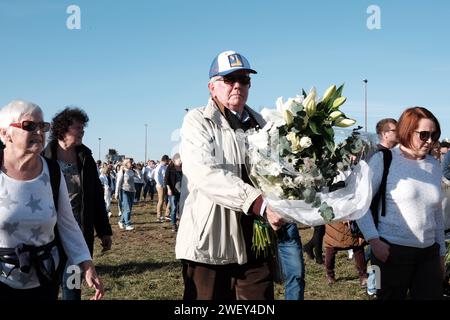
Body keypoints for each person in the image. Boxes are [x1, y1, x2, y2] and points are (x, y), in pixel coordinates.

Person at [176, 50, 285, 300]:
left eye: (244, 79)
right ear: (211, 87)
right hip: (212, 241)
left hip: (256, 241)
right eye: (229, 79)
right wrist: (258, 202)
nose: (238, 85)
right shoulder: (197, 121)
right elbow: (205, 173)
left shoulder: (262, 123)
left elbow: (279, 171)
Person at [0, 100, 104, 300]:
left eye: (42, 126)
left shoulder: (53, 171)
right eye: (29, 126)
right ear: (5, 134)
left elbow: (67, 222)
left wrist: (86, 264)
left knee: (71, 292)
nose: (39, 131)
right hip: (4, 279)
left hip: (45, 276)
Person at [357, 107, 446, 300]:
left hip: (429, 254)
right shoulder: (384, 159)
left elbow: (437, 213)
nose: (430, 140)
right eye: (424, 135)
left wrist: (441, 253)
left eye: (434, 134)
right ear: (407, 131)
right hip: (390, 253)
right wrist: (374, 241)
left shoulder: (434, 164)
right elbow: (360, 204)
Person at [43, 107, 112, 300]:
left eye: (83, 127)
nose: (82, 131)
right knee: (47, 288)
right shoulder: (43, 158)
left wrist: (104, 230)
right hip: (50, 239)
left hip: (78, 236)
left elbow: (96, 197)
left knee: (72, 289)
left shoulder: (85, 158)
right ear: (62, 129)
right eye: (78, 127)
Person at [365, 117, 399, 298]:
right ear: (385, 134)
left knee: (377, 257)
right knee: (376, 256)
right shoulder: (379, 155)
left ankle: (375, 285)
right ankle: (374, 287)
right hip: (377, 216)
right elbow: (367, 193)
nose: (399, 133)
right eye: (395, 130)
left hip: (382, 215)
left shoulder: (390, 154)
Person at [114, 158, 136, 230]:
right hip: (124, 191)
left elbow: (138, 177)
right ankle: (127, 224)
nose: (131, 164)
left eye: (131, 162)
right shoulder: (122, 171)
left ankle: (121, 221)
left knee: (129, 208)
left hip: (132, 191)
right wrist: (116, 193)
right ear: (126, 164)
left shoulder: (132, 171)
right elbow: (118, 183)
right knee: (127, 208)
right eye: (130, 163)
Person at [164, 153, 182, 232]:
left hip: (182, 191)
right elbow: (166, 179)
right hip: (173, 191)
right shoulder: (170, 168)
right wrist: (169, 189)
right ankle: (173, 224)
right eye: (179, 159)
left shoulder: (183, 168)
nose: (181, 161)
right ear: (175, 160)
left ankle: (180, 222)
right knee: (174, 208)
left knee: (180, 208)